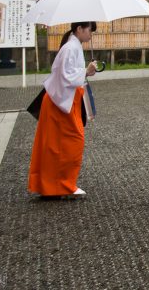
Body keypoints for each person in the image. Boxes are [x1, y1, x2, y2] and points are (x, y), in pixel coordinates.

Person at [28, 22, 98, 198]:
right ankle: (62, 185)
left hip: (62, 100)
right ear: (79, 29)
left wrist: (86, 72)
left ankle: (55, 186)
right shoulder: (70, 48)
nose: (91, 34)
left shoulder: (72, 46)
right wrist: (85, 71)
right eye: (90, 30)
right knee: (71, 141)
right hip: (60, 103)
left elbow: (67, 74)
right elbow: (66, 76)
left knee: (54, 145)